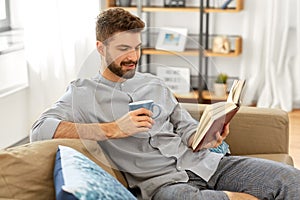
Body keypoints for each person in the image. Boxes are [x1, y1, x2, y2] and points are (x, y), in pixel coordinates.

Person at [30, 7, 300, 200]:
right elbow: (40, 129)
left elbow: (185, 128)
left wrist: (208, 135)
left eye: (136, 47)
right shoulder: (82, 93)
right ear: (101, 48)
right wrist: (113, 129)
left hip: (206, 163)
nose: (133, 56)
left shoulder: (154, 84)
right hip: (163, 185)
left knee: (290, 180)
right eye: (123, 49)